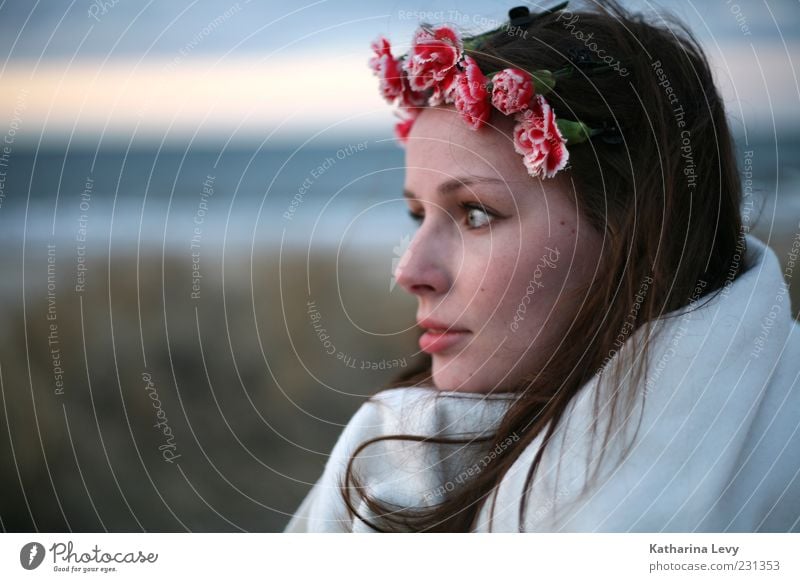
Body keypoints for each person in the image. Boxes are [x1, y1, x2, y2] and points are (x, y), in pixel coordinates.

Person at [285, 1, 800, 532]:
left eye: (476, 213)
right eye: (418, 215)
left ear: (636, 229)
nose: (411, 271)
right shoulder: (388, 457)